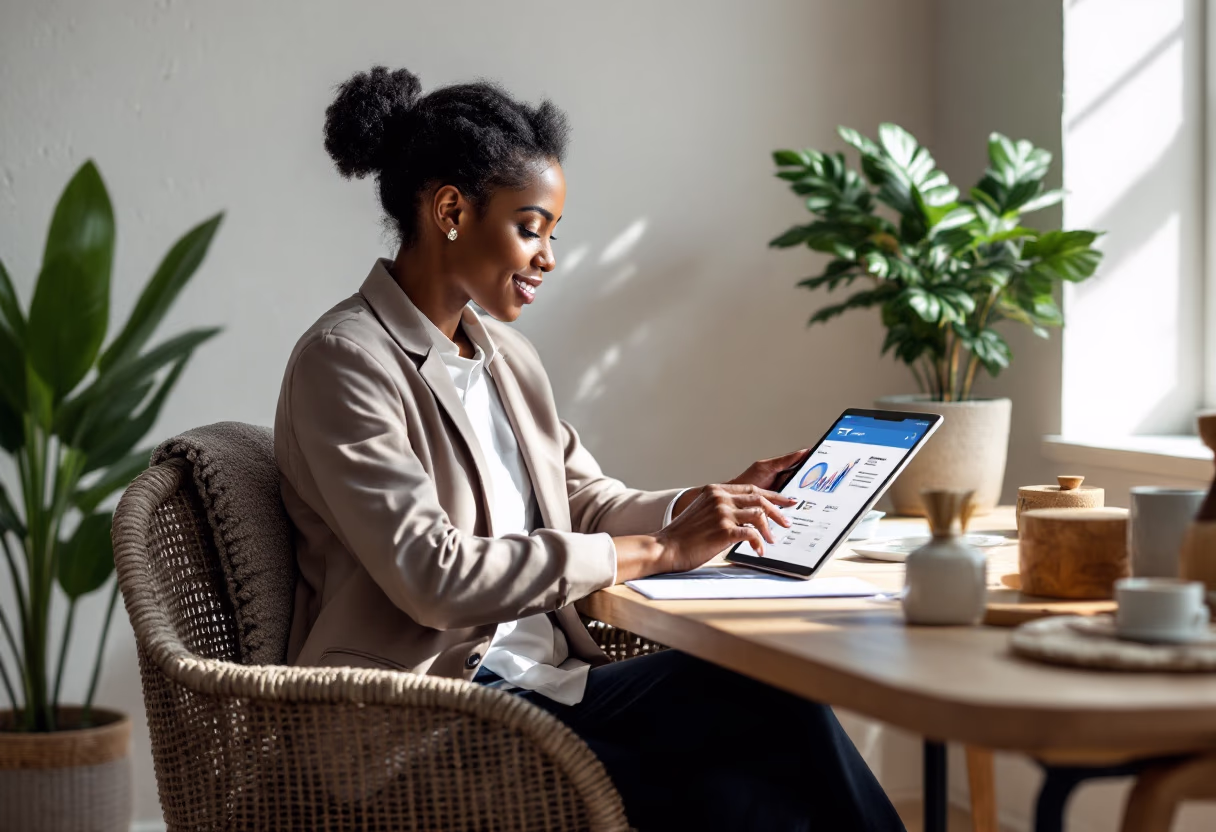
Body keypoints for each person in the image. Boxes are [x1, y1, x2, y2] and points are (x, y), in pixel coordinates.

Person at [275, 65, 905, 832]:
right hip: (429, 720)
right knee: (739, 800)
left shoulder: (507, 360)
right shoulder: (345, 362)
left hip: (555, 686)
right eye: (530, 226)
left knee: (776, 691)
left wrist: (710, 505)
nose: (548, 256)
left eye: (552, 234)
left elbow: (583, 499)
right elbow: (430, 574)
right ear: (450, 210)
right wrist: (657, 549)